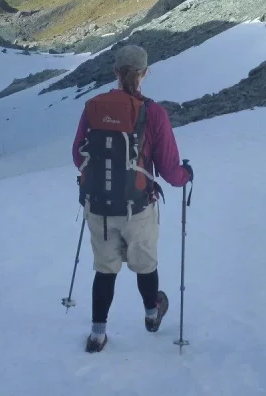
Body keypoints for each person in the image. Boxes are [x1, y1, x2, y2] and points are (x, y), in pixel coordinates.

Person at [71, 44, 193, 353]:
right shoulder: (153, 112)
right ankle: (152, 315)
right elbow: (170, 170)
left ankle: (97, 336)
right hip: (138, 207)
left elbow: (78, 156)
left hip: (98, 208)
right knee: (145, 265)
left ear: (115, 71)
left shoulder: (93, 107)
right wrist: (186, 175)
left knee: (105, 270)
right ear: (145, 73)